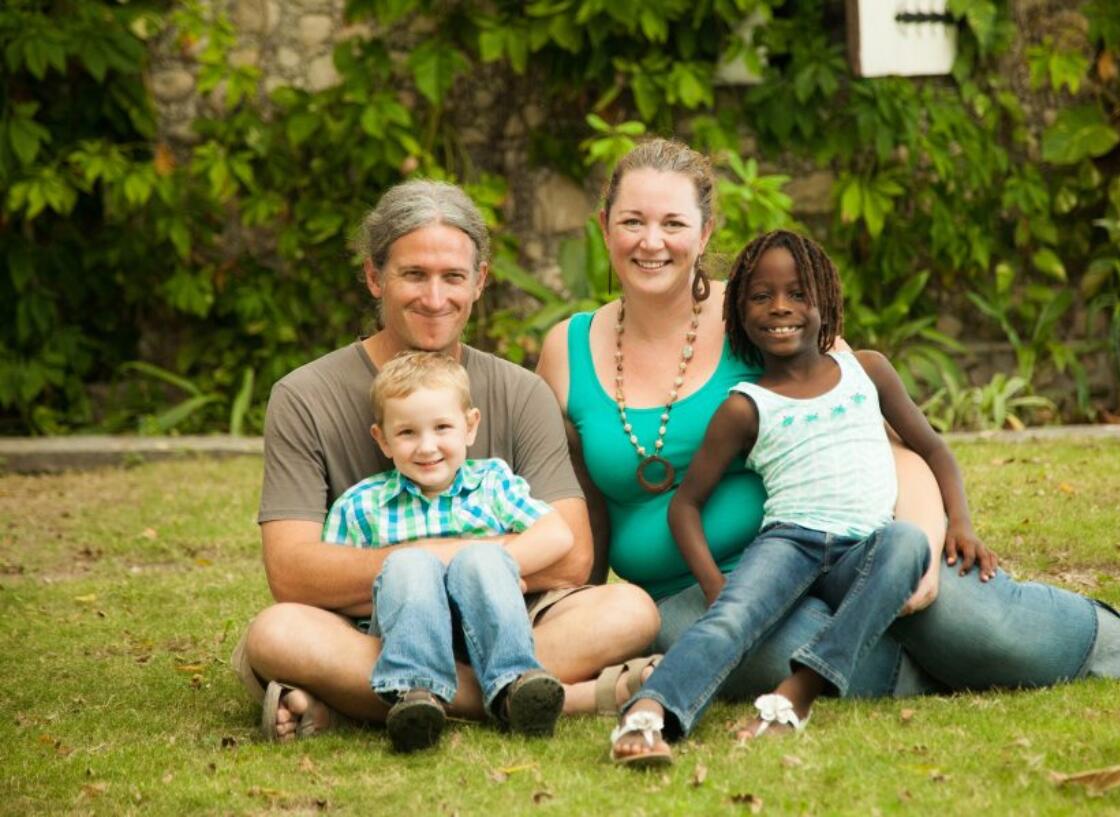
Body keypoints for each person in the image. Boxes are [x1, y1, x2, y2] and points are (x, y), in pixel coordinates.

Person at [534, 138, 1120, 741]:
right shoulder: (566, 349)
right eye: (632, 220)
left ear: (706, 230)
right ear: (603, 227)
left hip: (838, 538)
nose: (650, 241)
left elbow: (891, 439)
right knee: (772, 652)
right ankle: (933, 671)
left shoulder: (760, 317)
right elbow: (577, 502)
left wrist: (924, 540)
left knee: (957, 615)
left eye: (671, 222)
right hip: (697, 593)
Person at [232, 179, 661, 742]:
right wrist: (433, 560)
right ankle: (555, 696)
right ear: (373, 277)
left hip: (516, 618)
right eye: (414, 275)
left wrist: (464, 567)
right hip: (380, 629)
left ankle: (372, 701)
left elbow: (572, 557)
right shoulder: (304, 396)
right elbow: (294, 574)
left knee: (631, 610)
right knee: (277, 633)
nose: (435, 299)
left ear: (479, 281)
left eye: (453, 277)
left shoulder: (519, 392)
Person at [611, 230, 980, 765]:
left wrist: (962, 522)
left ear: (823, 301)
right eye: (761, 296)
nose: (780, 307)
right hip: (790, 543)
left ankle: (798, 694)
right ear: (739, 311)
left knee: (907, 542)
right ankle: (648, 715)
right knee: (730, 622)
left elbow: (932, 448)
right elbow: (684, 505)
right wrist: (717, 586)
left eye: (797, 294)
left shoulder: (867, 370)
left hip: (865, 549)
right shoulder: (746, 405)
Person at [325, 351, 571, 751]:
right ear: (382, 439)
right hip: (404, 633)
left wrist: (501, 564)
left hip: (491, 626)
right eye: (407, 433)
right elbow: (332, 590)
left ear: (470, 426)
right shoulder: (360, 505)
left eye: (442, 427)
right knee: (409, 564)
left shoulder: (491, 483)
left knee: (481, 558)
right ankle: (417, 697)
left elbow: (557, 533)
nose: (427, 447)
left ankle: (515, 686)